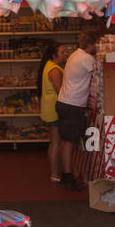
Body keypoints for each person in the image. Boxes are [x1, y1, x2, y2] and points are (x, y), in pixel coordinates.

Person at [56, 30, 100, 191]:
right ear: (90, 45)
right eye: (95, 45)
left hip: (65, 101)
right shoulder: (86, 58)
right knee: (69, 141)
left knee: (66, 140)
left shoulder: (75, 55)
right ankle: (67, 176)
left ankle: (66, 174)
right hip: (72, 104)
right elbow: (100, 73)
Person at [37, 41, 70, 183]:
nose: (66, 54)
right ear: (54, 54)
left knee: (54, 141)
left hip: (50, 107)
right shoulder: (55, 70)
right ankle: (56, 174)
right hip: (55, 108)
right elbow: (60, 90)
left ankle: (55, 174)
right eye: (63, 52)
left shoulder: (48, 66)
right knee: (56, 142)